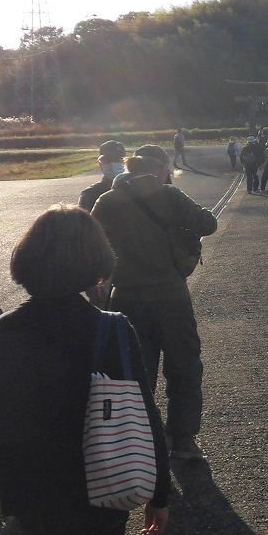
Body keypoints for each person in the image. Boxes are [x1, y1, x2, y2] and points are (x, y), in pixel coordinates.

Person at [0, 206, 170, 535]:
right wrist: (160, 493)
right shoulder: (114, 330)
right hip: (103, 496)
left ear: (27, 259)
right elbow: (145, 416)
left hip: (30, 501)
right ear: (96, 262)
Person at [91, 145, 217, 461]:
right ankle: (182, 440)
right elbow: (208, 224)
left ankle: (139, 440)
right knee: (184, 366)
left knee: (134, 370)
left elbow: (90, 243)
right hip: (171, 296)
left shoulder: (106, 201)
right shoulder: (170, 197)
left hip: (126, 298)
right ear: (156, 170)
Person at [78, 140, 126, 213]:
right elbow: (83, 222)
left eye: (118, 160)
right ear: (100, 165)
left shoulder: (136, 188)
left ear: (125, 162)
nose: (113, 164)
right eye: (108, 160)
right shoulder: (90, 194)